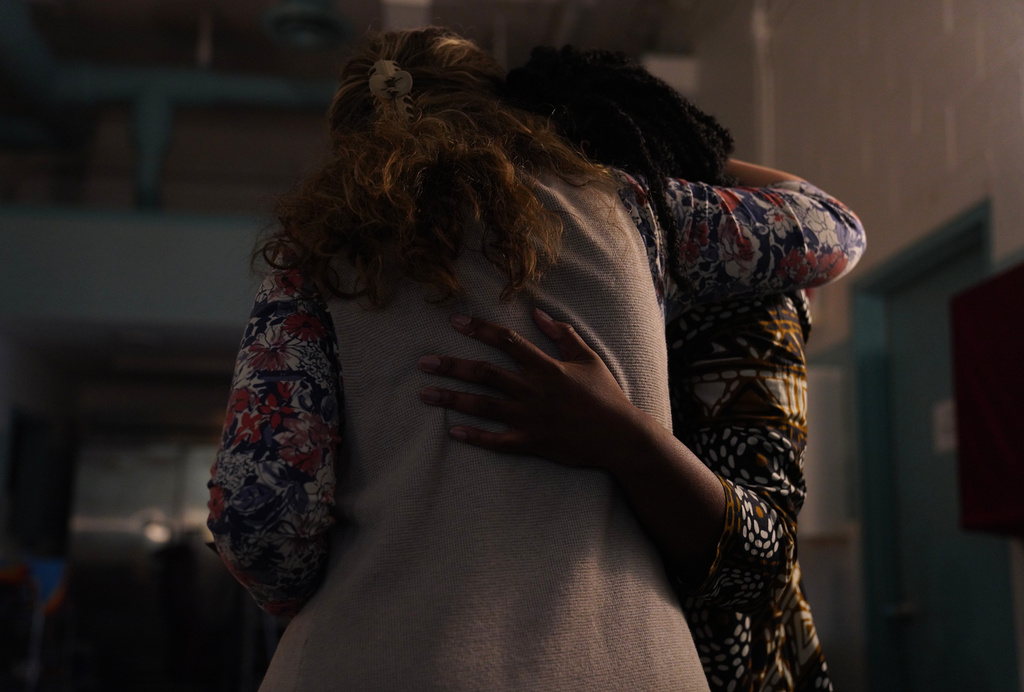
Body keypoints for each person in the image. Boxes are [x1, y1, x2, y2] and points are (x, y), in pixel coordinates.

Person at [207, 30, 863, 691]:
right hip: (628, 661)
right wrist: (700, 165)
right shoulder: (633, 210)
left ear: (350, 140)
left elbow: (267, 523)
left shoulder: (312, 260)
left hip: (375, 658)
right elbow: (831, 229)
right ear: (502, 109)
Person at [417, 46, 861, 691]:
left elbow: (757, 561)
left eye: (560, 167)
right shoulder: (507, 280)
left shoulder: (741, 295)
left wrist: (624, 438)